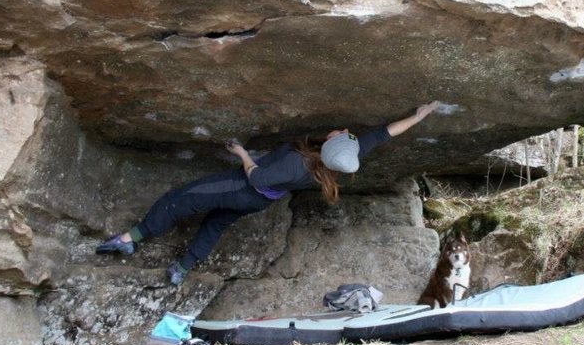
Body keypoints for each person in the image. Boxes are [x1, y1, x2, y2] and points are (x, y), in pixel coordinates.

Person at [96, 101, 441, 285]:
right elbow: (384, 133)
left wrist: (242, 154)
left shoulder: (296, 166)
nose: (347, 131)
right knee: (215, 225)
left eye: (343, 134)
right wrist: (420, 115)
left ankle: (131, 238)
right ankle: (181, 269)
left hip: (245, 188)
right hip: (259, 202)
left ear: (330, 146)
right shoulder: (342, 161)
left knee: (180, 198)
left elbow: (258, 176)